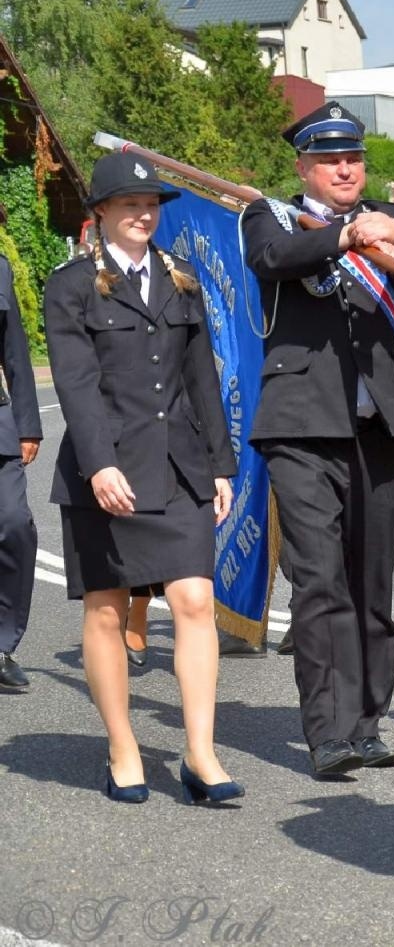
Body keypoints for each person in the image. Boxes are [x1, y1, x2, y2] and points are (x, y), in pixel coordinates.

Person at [45, 152, 240, 804]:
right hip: (107, 470)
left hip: (179, 466)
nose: (143, 213)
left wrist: (220, 463)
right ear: (100, 213)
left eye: (151, 203)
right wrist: (99, 461)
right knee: (105, 609)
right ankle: (123, 746)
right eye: (129, 204)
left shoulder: (182, 280)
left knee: (191, 600)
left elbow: (201, 380)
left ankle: (200, 752)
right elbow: (74, 381)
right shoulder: (71, 285)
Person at [239, 102, 394, 777]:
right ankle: (327, 730)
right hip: (301, 427)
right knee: (319, 582)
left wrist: (388, 231)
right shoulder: (272, 216)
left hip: (378, 426)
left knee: (374, 581)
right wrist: (342, 237)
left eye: (354, 157)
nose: (345, 168)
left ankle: (368, 721)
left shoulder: (388, 223)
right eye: (329, 159)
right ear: (303, 167)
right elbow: (272, 257)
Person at [0, 244, 41, 691]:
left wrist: (27, 424)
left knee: (14, 524)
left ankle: (2, 645)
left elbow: (15, 348)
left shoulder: (0, 269)